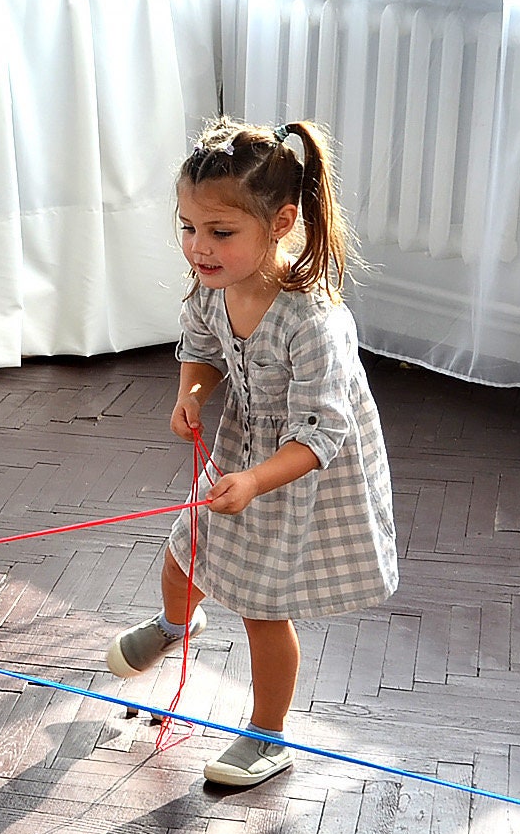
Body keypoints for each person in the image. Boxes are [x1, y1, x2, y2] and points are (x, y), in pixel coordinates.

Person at [106, 118, 397, 789]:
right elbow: (202, 347)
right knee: (184, 556)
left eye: (219, 233)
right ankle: (176, 625)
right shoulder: (215, 285)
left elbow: (322, 433)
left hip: (299, 467)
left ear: (281, 222)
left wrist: (256, 481)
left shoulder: (311, 320)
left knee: (265, 607)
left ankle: (268, 734)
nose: (199, 249)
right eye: (188, 228)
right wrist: (192, 394)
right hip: (246, 449)